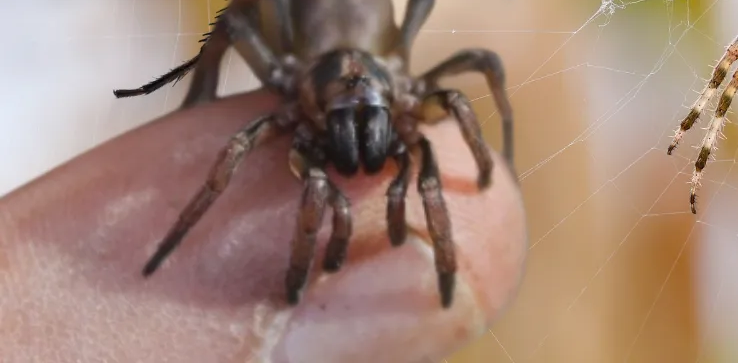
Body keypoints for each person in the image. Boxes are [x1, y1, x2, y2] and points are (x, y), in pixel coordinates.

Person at [0, 91, 526, 361]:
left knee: (423, 189)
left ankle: (439, 275)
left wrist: (486, 160)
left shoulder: (409, 110)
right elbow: (239, 148)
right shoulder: (298, 109)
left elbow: (458, 98)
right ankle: (291, 283)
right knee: (316, 193)